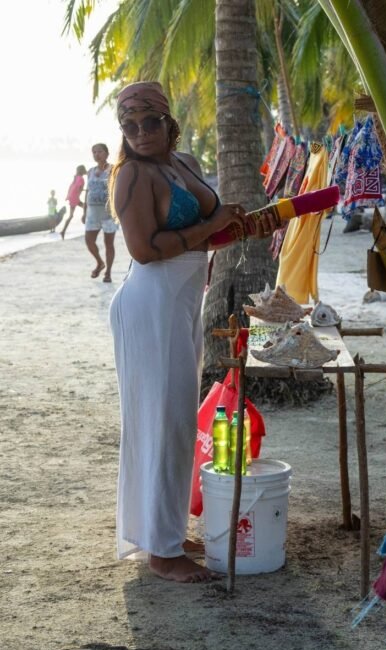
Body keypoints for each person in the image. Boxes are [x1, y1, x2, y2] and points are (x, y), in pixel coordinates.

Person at [108, 81, 280, 583]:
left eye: (150, 122)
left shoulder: (183, 164)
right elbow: (143, 249)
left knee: (176, 420)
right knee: (162, 423)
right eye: (130, 125)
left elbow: (210, 227)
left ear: (169, 121)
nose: (140, 132)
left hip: (181, 303)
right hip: (150, 305)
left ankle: (163, 531)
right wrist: (211, 228)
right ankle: (160, 552)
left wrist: (239, 225)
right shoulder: (132, 177)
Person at [84, 143, 117, 281]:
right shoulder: (90, 171)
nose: (97, 154)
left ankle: (108, 272)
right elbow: (88, 191)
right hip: (92, 213)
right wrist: (84, 212)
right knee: (89, 240)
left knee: (108, 244)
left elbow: (117, 190)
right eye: (94, 152)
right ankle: (99, 262)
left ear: (107, 154)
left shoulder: (113, 169)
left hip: (108, 213)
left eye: (100, 151)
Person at [60, 165, 87, 240]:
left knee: (72, 215)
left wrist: (68, 196)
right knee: (85, 208)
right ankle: (86, 222)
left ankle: (63, 231)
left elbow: (71, 187)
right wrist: (85, 190)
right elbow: (78, 188)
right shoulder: (80, 178)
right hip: (75, 198)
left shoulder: (76, 177)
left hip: (73, 197)